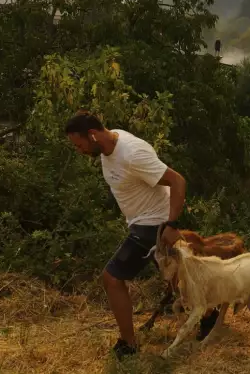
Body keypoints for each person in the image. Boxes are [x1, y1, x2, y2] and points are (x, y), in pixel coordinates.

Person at [64, 110, 217, 359]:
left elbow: (178, 181)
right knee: (178, 278)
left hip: (152, 225)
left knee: (112, 279)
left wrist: (170, 224)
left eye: (79, 144)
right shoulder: (108, 145)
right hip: (139, 222)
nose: (78, 150)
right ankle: (210, 315)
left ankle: (128, 343)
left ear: (92, 135)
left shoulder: (133, 153)